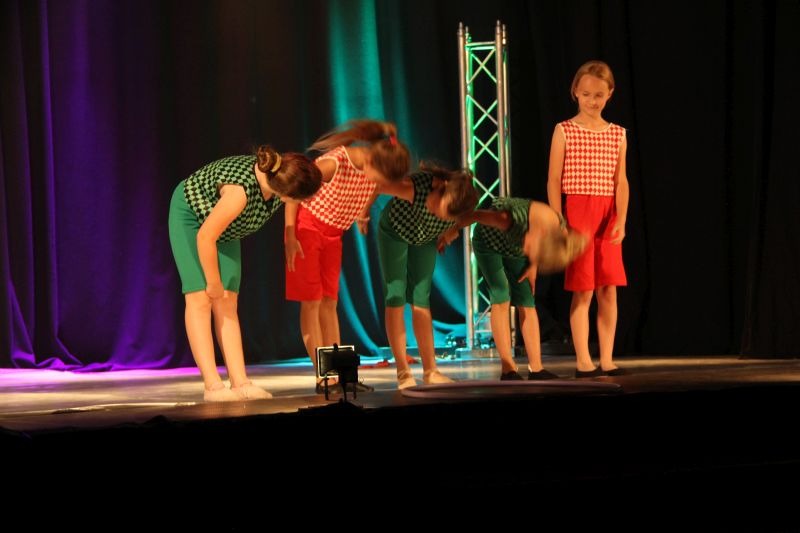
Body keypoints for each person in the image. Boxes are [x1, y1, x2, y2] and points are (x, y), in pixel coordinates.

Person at [168, 146, 322, 401]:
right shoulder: (239, 193)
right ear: (288, 193)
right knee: (200, 298)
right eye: (300, 198)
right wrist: (213, 282)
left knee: (228, 301)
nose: (301, 203)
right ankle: (212, 386)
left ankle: (240, 382)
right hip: (192, 216)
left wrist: (290, 232)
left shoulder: (279, 179)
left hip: (225, 227)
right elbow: (205, 237)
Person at [284, 119, 410, 393]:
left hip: (334, 234)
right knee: (312, 302)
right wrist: (290, 234)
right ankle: (323, 377)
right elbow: (295, 189)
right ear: (371, 161)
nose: (378, 184)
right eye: (379, 178)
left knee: (330, 302)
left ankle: (341, 374)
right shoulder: (335, 163)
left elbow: (372, 190)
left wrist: (362, 213)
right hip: (308, 229)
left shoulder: (374, 169)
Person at [438, 198, 587, 381]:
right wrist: (451, 230)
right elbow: (474, 215)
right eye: (531, 250)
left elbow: (546, 249)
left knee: (527, 300)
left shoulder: (557, 231)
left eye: (532, 251)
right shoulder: (507, 219)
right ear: (539, 234)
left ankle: (536, 369)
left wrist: (533, 265)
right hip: (489, 242)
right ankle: (508, 368)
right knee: (501, 295)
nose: (528, 251)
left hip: (515, 248)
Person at [547, 59, 629, 377]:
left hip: (608, 213)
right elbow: (554, 179)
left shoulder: (617, 134)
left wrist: (621, 218)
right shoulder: (565, 130)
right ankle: (583, 360)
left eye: (598, 95)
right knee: (584, 289)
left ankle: (606, 358)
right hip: (578, 213)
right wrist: (558, 219)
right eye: (586, 94)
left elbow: (621, 181)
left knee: (608, 288)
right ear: (575, 92)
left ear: (610, 94)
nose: (592, 101)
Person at [376, 164, 478, 389]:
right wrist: (363, 212)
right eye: (436, 209)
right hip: (394, 231)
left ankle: (431, 370)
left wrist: (451, 231)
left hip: (425, 238)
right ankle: (403, 372)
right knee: (396, 295)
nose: (435, 213)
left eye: (443, 216)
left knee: (421, 298)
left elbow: (472, 216)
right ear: (440, 188)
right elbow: (377, 185)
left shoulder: (458, 206)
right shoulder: (415, 189)